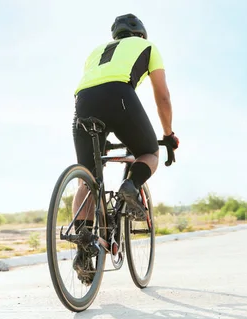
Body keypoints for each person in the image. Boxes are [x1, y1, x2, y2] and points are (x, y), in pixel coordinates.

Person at [70, 13, 179, 284]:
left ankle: (83, 246)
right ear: (141, 33)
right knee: (149, 152)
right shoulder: (149, 47)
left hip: (83, 103)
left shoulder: (96, 51)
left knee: (88, 176)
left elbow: (94, 86)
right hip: (118, 95)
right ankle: (131, 186)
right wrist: (168, 135)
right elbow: (162, 96)